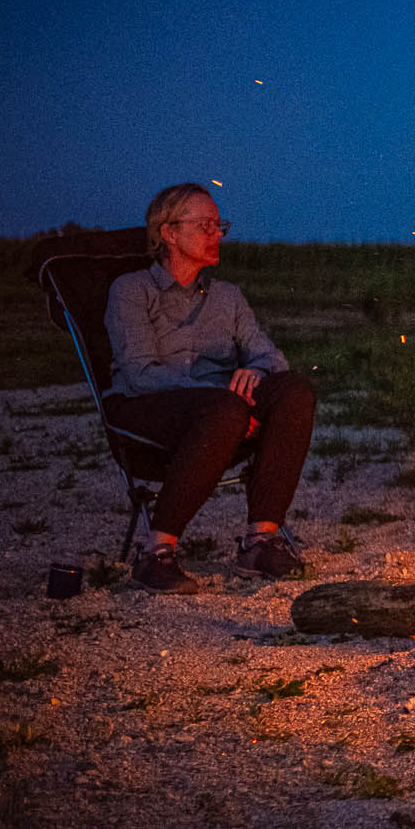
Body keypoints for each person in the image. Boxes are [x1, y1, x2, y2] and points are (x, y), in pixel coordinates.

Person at [105, 183, 316, 593]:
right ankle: (156, 553)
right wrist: (220, 398)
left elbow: (272, 358)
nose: (216, 234)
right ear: (168, 233)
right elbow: (139, 373)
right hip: (145, 409)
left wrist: (254, 371)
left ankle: (260, 542)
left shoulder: (227, 298)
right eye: (205, 225)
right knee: (227, 410)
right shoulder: (131, 291)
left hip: (221, 414)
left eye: (220, 226)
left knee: (294, 391)